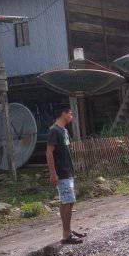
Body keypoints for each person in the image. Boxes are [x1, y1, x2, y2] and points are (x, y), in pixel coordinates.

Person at [46, 104, 85, 244]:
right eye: (70, 113)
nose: (71, 116)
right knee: (67, 201)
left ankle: (68, 230)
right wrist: (53, 173)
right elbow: (49, 153)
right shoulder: (54, 131)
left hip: (68, 171)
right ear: (63, 113)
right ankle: (66, 234)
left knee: (70, 201)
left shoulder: (64, 131)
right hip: (61, 172)